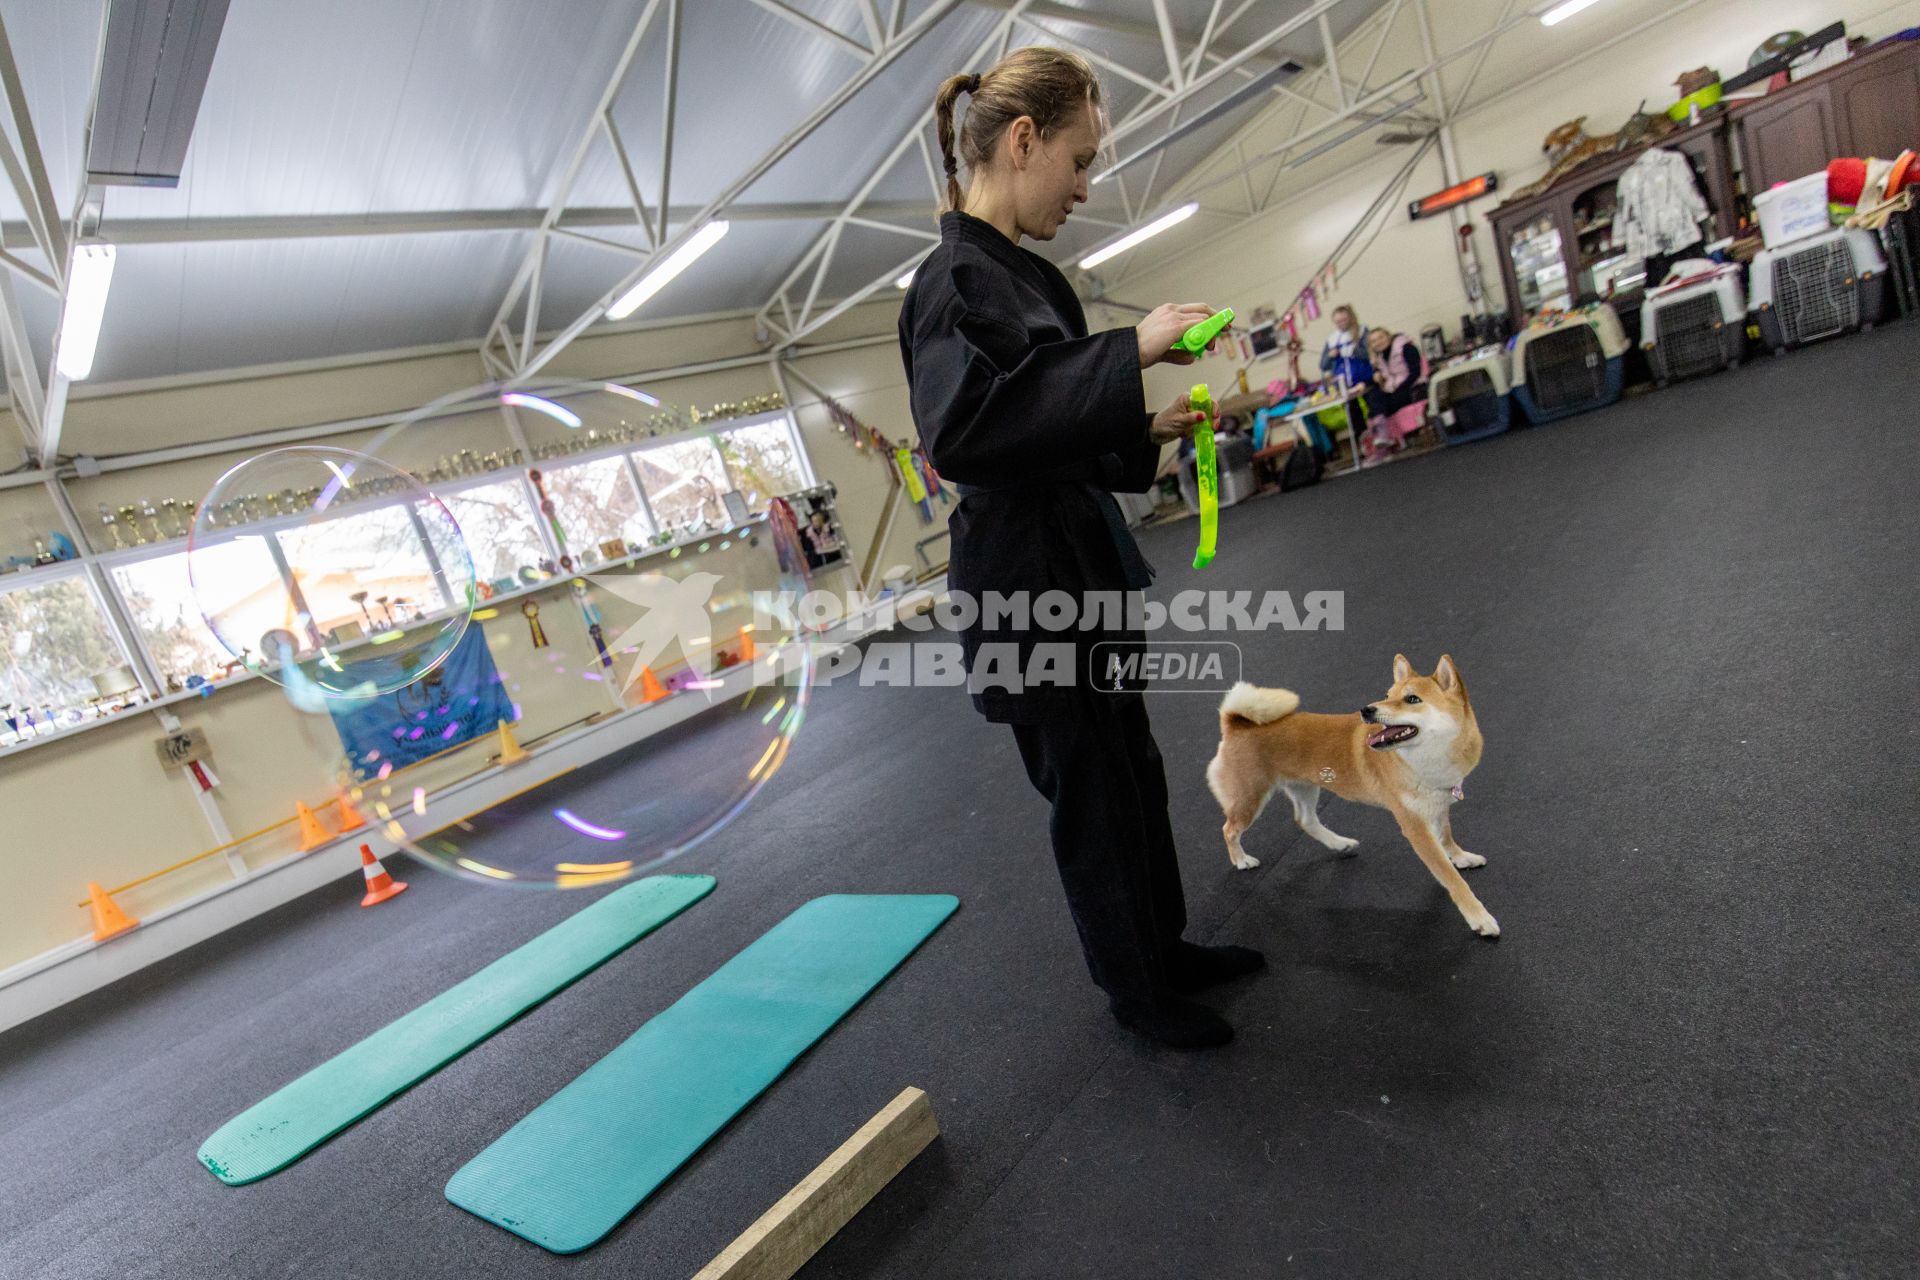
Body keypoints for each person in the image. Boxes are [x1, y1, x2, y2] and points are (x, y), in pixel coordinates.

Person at [897, 46, 1263, 1051]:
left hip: (1074, 568)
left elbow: (1045, 426)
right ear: (1023, 142)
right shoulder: (950, 281)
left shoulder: (1028, 276)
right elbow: (965, 430)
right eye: (1080, 159)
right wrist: (1131, 349)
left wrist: (1144, 426)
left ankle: (1166, 945)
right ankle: (1136, 990)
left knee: (1131, 767)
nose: (1086, 186)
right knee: (1093, 798)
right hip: (1024, 591)